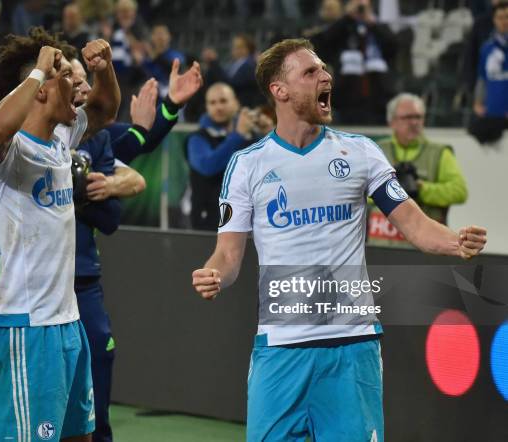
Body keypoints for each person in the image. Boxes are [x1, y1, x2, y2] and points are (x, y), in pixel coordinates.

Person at [191, 38, 487, 442]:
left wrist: (456, 242)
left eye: (324, 69)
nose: (325, 76)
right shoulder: (246, 165)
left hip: (352, 347)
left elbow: (414, 224)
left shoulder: (361, 153)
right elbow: (227, 255)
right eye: (310, 72)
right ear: (280, 90)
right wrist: (213, 275)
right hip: (280, 348)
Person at [0, 26, 119, 441]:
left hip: (66, 321)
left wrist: (105, 70)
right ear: (39, 90)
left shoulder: (60, 137)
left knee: (79, 435)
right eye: (71, 81)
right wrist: (39, 71)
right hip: (24, 326)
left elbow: (107, 109)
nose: (82, 89)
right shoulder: (8, 152)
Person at [367, 93, 468, 247]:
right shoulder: (376, 150)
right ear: (392, 122)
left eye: (418, 117)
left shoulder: (439, 153)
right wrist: (388, 190)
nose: (414, 122)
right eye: (407, 117)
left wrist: (421, 188)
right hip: (379, 245)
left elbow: (459, 192)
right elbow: (357, 190)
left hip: (424, 248)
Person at [312, 0, 397, 124]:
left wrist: (372, 23)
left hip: (379, 100)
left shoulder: (378, 27)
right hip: (346, 101)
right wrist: (347, 18)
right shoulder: (343, 27)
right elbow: (321, 45)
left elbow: (393, 47)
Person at [186, 83, 257, 231]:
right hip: (208, 226)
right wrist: (238, 135)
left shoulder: (250, 136)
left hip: (246, 223)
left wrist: (267, 133)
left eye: (223, 101)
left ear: (236, 103)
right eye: (212, 102)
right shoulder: (197, 138)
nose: (218, 107)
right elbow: (207, 166)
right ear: (207, 107)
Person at [469, 1, 508, 144]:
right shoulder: (487, 48)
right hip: (493, 111)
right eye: (500, 17)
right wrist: (478, 101)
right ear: (494, 20)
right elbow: (482, 79)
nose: (504, 21)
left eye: (507, 17)